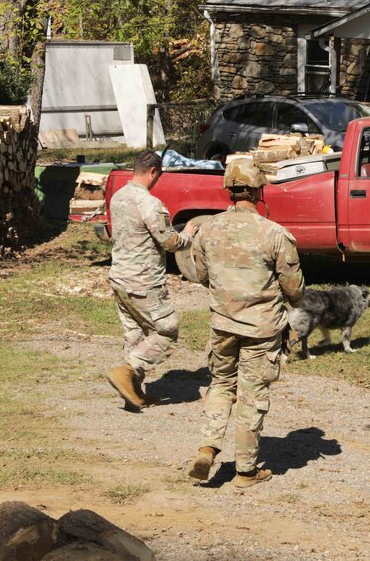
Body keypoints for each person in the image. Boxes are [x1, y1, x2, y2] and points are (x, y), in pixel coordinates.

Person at [185, 158, 305, 489]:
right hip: (261, 330)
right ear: (259, 191)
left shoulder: (207, 229)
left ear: (229, 192)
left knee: (221, 385)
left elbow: (202, 275)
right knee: (251, 395)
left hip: (222, 324)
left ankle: (207, 449)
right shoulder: (274, 233)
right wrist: (296, 307)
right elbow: (293, 286)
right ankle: (246, 470)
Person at [106, 150, 193, 409]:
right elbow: (170, 241)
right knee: (167, 331)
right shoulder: (150, 204)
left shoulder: (119, 197)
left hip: (120, 277)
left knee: (134, 334)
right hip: (144, 282)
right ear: (154, 172)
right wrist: (188, 234)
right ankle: (129, 370)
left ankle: (133, 394)